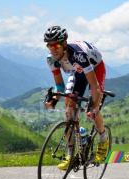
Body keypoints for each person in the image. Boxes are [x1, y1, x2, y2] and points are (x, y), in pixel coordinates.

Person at [44, 25, 108, 169]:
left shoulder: (79, 55)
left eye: (57, 45)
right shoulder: (51, 60)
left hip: (95, 68)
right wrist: (53, 100)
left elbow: (95, 86)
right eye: (49, 46)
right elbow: (59, 86)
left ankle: (103, 140)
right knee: (69, 110)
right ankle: (71, 154)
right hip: (78, 71)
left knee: (92, 110)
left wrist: (93, 105)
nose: (53, 49)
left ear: (64, 44)